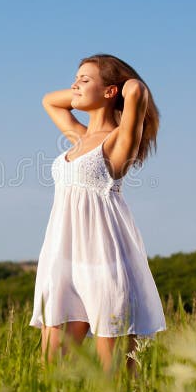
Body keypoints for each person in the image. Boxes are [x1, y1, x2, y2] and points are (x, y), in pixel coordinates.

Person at [29, 53, 166, 375]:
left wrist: (125, 85)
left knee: (115, 376)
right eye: (75, 78)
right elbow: (50, 100)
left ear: (110, 92)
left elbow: (137, 92)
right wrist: (86, 87)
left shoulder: (118, 142)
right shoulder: (79, 137)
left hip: (105, 259)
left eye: (84, 79)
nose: (74, 84)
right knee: (51, 371)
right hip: (63, 260)